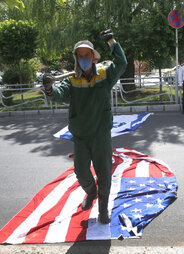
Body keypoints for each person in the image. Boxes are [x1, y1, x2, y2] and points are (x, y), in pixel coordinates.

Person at [42, 29, 127, 224]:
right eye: (79, 56)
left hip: (100, 134)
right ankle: (91, 192)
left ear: (93, 56)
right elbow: (58, 94)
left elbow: (122, 63)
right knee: (81, 172)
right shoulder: (72, 80)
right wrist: (48, 88)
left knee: (104, 172)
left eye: (86, 55)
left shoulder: (105, 75)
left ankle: (103, 209)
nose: (83, 59)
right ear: (76, 59)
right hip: (80, 135)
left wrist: (112, 42)